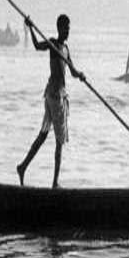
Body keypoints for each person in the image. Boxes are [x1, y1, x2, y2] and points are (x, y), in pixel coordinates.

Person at [17, 14, 86, 189]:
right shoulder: (53, 43)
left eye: (69, 28)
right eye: (66, 28)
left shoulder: (65, 49)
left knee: (43, 135)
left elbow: (72, 71)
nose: (68, 31)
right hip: (54, 96)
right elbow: (37, 46)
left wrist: (81, 76)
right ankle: (55, 183)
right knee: (59, 141)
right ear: (59, 28)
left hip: (56, 95)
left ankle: (23, 166)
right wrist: (31, 28)